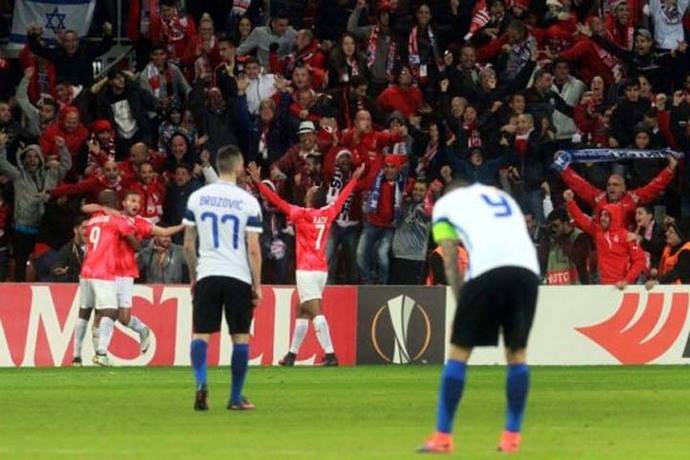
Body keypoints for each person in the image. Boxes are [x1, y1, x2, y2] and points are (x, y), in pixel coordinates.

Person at [420, 180, 540, 454]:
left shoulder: (444, 206)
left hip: (487, 269)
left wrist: (463, 303)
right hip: (526, 270)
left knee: (459, 352)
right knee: (517, 354)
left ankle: (443, 437)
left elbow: (449, 257)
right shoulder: (501, 196)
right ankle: (511, 437)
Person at [247, 161, 365, 366]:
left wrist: (258, 183)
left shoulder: (300, 214)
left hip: (306, 269)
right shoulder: (328, 213)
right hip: (321, 270)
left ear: (310, 199)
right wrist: (354, 178)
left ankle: (330, 355)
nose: (308, 191)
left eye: (310, 191)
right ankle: (292, 355)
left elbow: (277, 200)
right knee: (302, 310)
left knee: (315, 311)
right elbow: (343, 196)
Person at [183, 145, 263, 411]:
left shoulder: (198, 197)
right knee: (240, 337)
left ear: (217, 165)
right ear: (239, 167)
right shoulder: (248, 201)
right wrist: (257, 285)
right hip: (237, 275)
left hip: (207, 273)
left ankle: (201, 383)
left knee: (201, 335)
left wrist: (195, 277)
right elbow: (253, 248)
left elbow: (187, 244)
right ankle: (235, 397)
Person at [73, 190, 138, 367]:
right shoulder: (117, 220)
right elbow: (134, 243)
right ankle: (101, 353)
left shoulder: (93, 219)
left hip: (86, 269)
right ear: (116, 202)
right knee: (110, 311)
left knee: (84, 312)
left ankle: (76, 357)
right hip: (103, 270)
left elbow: (84, 208)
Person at [564, 189, 647, 287]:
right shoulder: (598, 231)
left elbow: (640, 260)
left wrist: (627, 280)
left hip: (621, 287)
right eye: (602, 215)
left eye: (606, 216)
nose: (602, 218)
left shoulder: (627, 236)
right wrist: (570, 201)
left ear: (614, 217)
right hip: (602, 286)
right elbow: (581, 219)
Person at [646, 219, 690, 287]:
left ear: (679, 236)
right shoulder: (668, 247)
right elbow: (653, 249)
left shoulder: (687, 251)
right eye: (667, 231)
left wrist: (659, 281)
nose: (666, 233)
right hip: (665, 286)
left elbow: (678, 272)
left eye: (671, 232)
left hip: (680, 291)